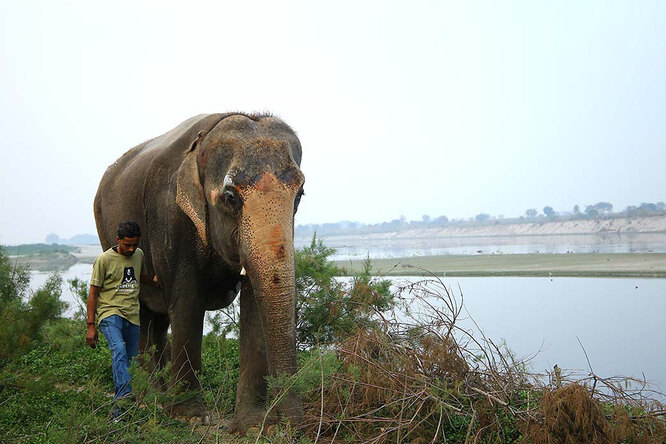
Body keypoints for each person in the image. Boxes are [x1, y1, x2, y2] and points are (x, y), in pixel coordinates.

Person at [86, 221, 158, 417]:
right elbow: (93, 293)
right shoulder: (104, 260)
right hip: (110, 315)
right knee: (118, 351)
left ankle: (119, 411)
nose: (131, 249)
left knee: (131, 361)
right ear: (118, 240)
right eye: (127, 245)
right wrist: (91, 325)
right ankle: (126, 398)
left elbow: (138, 276)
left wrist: (154, 281)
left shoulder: (139, 254)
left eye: (135, 244)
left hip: (132, 315)